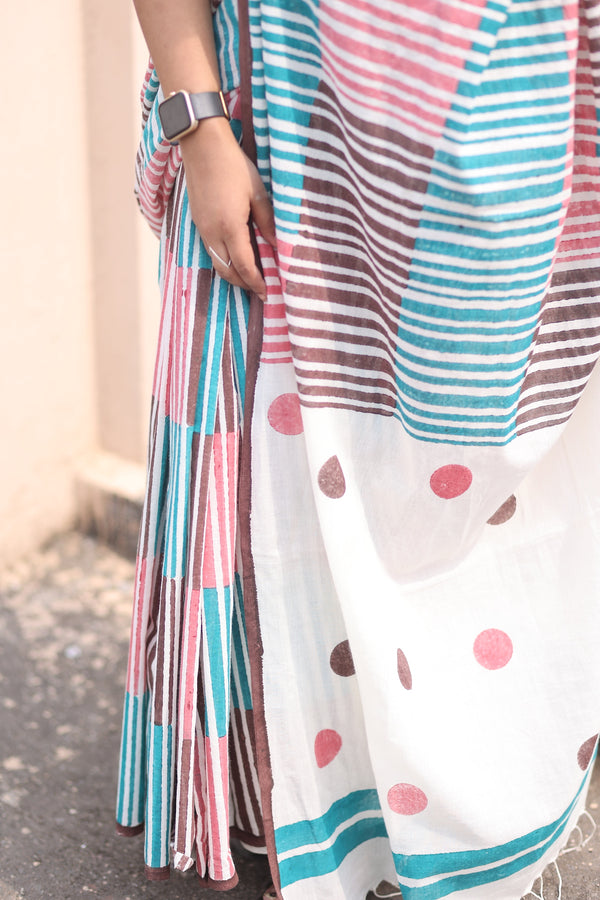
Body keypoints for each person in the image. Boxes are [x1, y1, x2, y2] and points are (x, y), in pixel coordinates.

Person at [116, 1, 600, 898]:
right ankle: (279, 800)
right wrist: (200, 123)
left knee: (497, 517)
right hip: (279, 137)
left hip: (523, 162)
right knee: (277, 496)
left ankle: (440, 790)